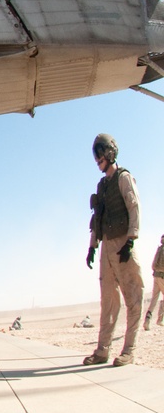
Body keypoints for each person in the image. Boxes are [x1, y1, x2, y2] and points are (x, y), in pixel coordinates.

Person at [84, 133, 144, 367]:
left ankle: (128, 350)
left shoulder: (123, 177)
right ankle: (102, 351)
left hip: (123, 245)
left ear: (110, 152)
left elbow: (134, 206)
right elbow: (96, 219)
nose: (97, 159)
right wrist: (92, 247)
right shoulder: (102, 186)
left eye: (100, 153)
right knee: (108, 301)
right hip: (107, 247)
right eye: (96, 155)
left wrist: (131, 240)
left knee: (133, 297)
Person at [144, 235, 164, 330]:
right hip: (162, 276)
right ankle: (160, 319)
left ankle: (147, 320)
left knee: (154, 299)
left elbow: (153, 265)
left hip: (156, 275)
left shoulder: (159, 249)